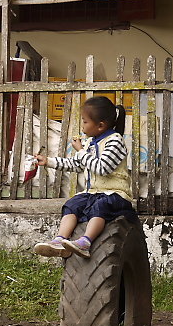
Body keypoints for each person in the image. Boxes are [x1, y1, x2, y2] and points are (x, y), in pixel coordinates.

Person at [33, 96, 137, 259]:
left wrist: (81, 151)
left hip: (116, 195)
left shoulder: (115, 142)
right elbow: (77, 164)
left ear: (101, 125)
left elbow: (102, 168)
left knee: (100, 206)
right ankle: (60, 240)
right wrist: (48, 161)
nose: (82, 125)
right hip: (94, 192)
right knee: (72, 204)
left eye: (85, 122)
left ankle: (85, 242)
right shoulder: (90, 143)